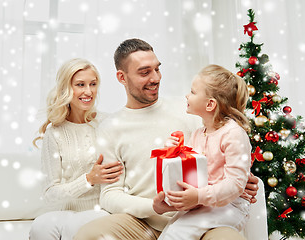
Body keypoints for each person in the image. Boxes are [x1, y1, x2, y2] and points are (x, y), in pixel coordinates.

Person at [74, 39, 259, 240]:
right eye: (145, 72)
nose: (155, 78)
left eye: (157, 69)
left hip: (201, 213)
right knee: (87, 235)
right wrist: (154, 206)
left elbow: (221, 156)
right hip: (141, 222)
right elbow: (109, 195)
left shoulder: (191, 110)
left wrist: (241, 183)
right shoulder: (110, 129)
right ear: (122, 77)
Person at [29, 58, 123, 240]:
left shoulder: (107, 123)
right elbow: (49, 194)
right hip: (66, 212)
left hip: (102, 210)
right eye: (80, 85)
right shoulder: (54, 133)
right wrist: (88, 179)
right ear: (66, 89)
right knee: (41, 226)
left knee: (76, 229)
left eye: (93, 84)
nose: (88, 91)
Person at [155, 64, 252, 240]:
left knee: (176, 235)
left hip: (230, 206)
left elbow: (236, 184)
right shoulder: (198, 134)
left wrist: (199, 195)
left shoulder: (234, 134)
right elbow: (189, 170)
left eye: (192, 92)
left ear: (209, 104)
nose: (187, 95)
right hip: (203, 203)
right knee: (169, 232)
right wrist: (172, 151)